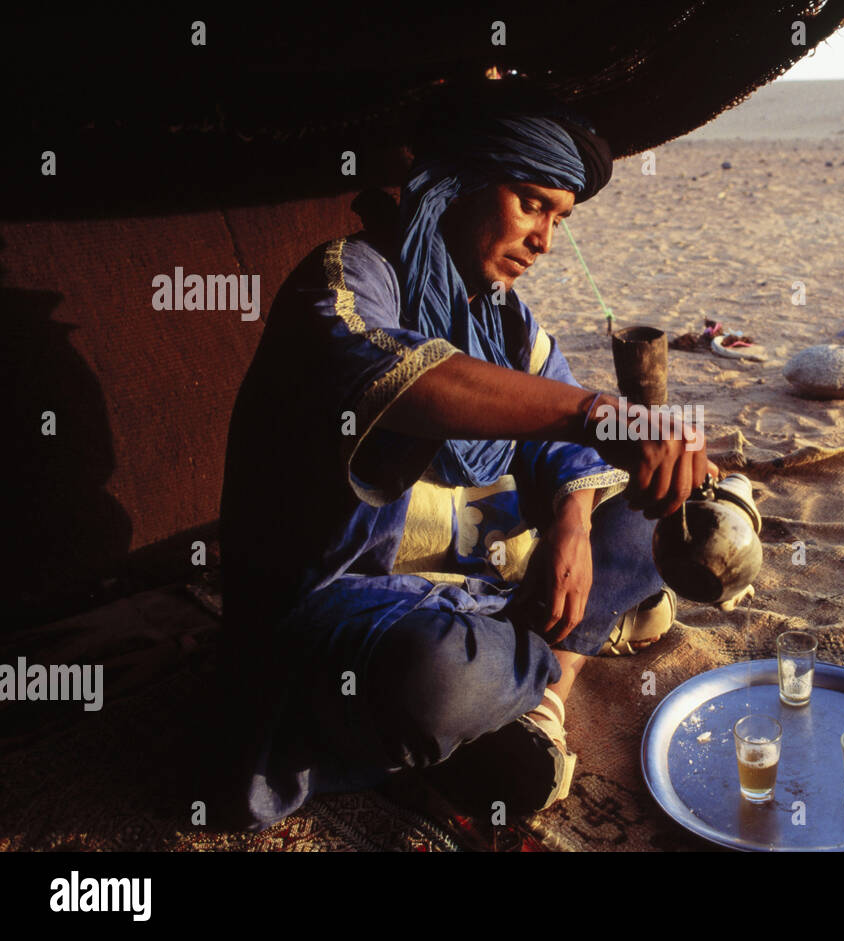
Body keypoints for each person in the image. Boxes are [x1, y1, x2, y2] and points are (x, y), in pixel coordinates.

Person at [212, 92, 715, 831]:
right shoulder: (346, 280)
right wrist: (597, 413)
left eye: (559, 219)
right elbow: (411, 382)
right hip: (348, 608)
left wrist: (574, 523)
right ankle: (548, 660)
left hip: (492, 582)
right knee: (434, 678)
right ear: (460, 182)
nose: (544, 239)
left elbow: (563, 433)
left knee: (662, 507)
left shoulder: (503, 316)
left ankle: (537, 685)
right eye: (531, 204)